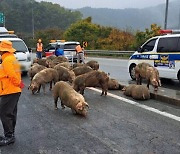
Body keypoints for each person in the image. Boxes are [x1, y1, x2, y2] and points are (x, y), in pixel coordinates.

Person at [0, 40, 23, 146]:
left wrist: (18, 83)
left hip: (9, 90)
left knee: (5, 113)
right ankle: (10, 134)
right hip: (13, 90)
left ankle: (9, 136)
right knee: (11, 113)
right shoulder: (11, 58)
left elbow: (12, 75)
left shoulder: (7, 61)